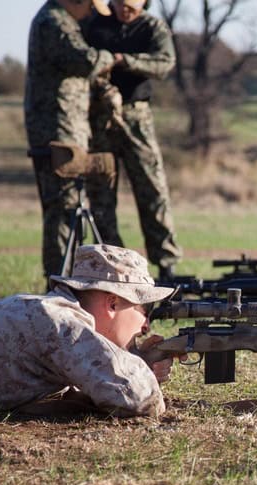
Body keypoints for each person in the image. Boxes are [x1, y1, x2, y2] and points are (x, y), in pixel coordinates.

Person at [0, 244, 180, 417]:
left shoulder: (55, 313)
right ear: (113, 302)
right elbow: (137, 398)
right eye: (145, 310)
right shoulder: (61, 323)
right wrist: (140, 368)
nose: (146, 325)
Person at [83, 0, 182, 281]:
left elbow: (164, 63)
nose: (126, 11)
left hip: (137, 117)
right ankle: (113, 267)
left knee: (153, 189)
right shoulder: (94, 24)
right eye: (122, 5)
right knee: (100, 193)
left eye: (133, 7)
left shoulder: (152, 27)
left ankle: (166, 265)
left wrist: (124, 61)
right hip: (99, 118)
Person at [24, 0, 117, 279]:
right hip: (57, 133)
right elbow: (84, 60)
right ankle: (59, 283)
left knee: (71, 205)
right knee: (62, 209)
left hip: (69, 130)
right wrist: (110, 56)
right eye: (90, 7)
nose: (90, 15)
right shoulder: (55, 22)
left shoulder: (65, 21)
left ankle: (72, 279)